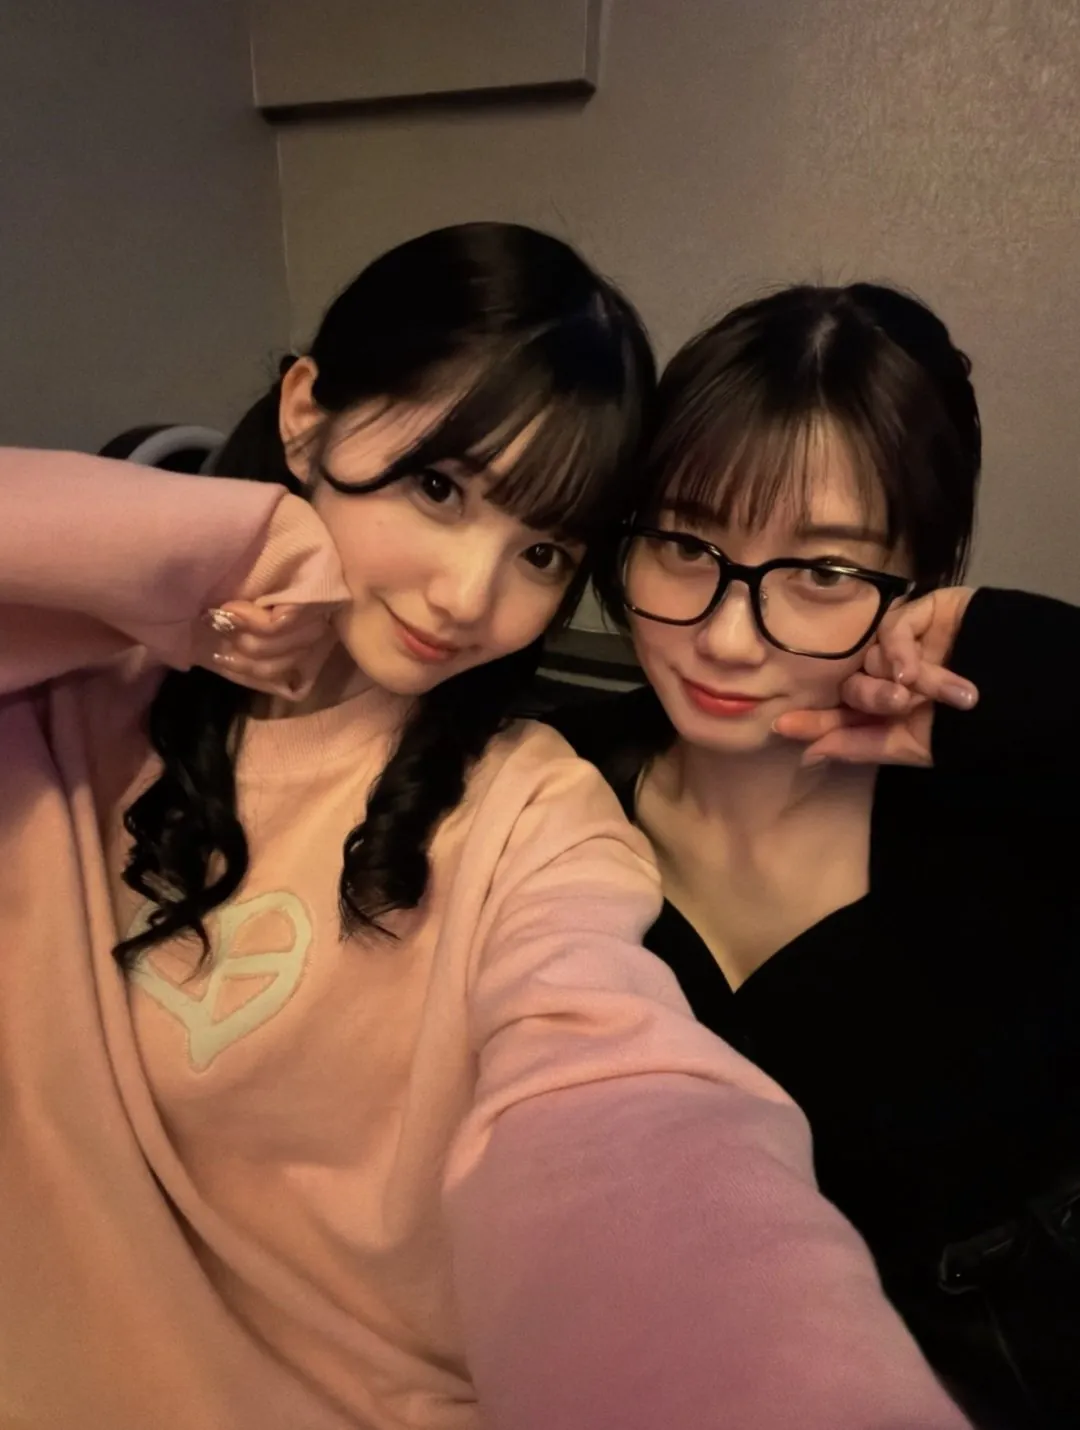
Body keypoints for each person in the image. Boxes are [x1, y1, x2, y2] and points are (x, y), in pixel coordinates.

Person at [0, 230, 967, 1430]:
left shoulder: (532, 808)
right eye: (439, 488)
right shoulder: (66, 702)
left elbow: (619, 1100)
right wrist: (235, 546)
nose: (468, 596)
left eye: (543, 550)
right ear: (306, 412)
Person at [549, 281, 1079, 1430]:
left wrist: (1039, 659)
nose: (726, 635)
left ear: (923, 580)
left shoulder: (1015, 802)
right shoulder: (546, 796)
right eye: (684, 542)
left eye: (825, 572)